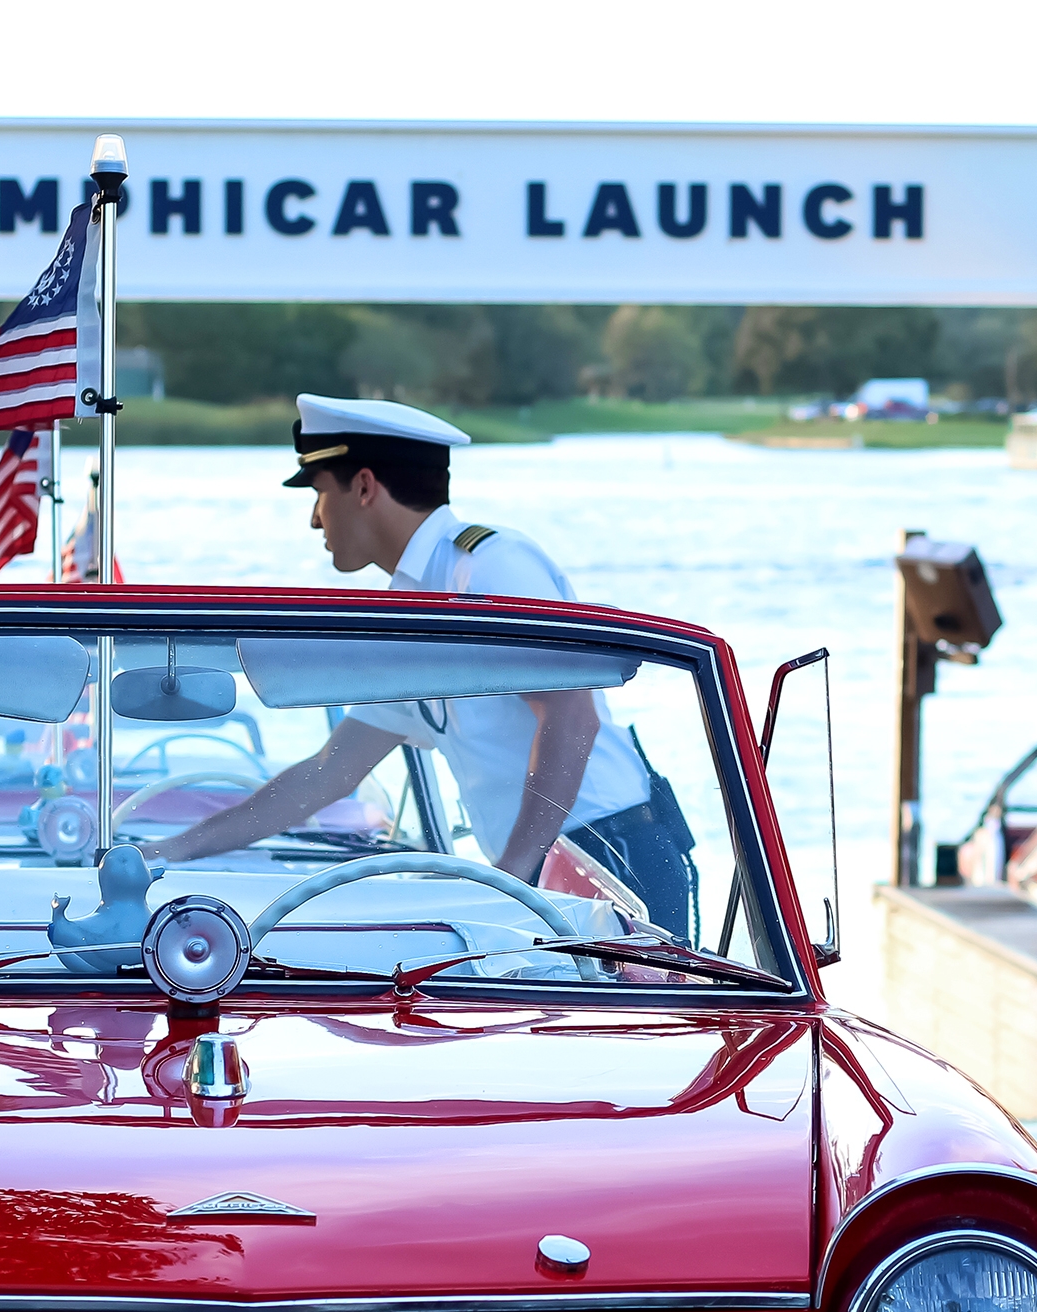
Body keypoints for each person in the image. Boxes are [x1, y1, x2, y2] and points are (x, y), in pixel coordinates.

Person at [144, 395, 698, 935]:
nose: (315, 520)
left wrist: (512, 876)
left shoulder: (489, 567)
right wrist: (176, 849)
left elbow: (572, 716)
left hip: (612, 859)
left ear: (363, 487)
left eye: (317, 493)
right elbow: (333, 771)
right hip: (551, 865)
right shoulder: (411, 607)